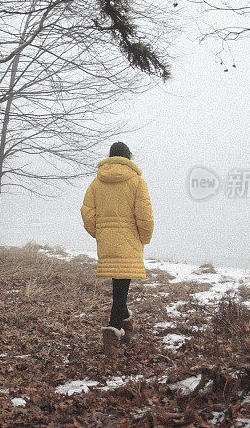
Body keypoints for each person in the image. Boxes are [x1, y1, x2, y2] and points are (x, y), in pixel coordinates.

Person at [80, 142, 154, 355]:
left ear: (110, 156)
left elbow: (87, 213)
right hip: (130, 241)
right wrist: (144, 238)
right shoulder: (138, 183)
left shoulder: (96, 182)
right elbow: (145, 217)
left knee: (119, 286)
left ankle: (127, 325)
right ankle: (113, 334)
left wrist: (100, 232)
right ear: (128, 157)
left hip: (107, 241)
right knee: (121, 288)